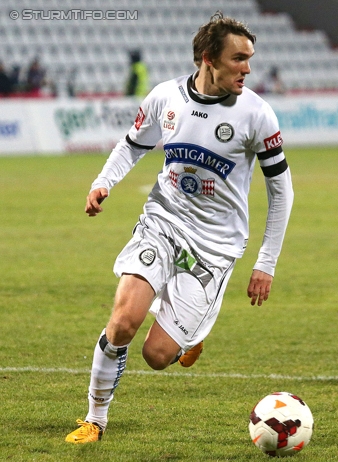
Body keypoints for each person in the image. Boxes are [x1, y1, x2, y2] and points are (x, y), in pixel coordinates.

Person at [65, 12, 294, 443]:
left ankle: (186, 340)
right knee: (122, 323)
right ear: (208, 59)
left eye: (250, 59)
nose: (247, 68)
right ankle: (94, 420)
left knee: (156, 355)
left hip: (215, 246)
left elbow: (282, 192)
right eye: (238, 59)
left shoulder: (257, 114)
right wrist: (103, 182)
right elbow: (132, 144)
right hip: (162, 220)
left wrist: (266, 263)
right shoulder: (165, 97)